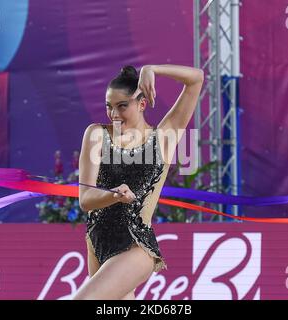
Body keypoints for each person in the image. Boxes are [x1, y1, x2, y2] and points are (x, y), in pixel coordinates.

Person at [74, 64, 204, 300]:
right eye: (109, 107)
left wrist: (152, 68)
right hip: (98, 243)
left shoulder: (163, 139)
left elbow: (196, 79)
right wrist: (113, 194)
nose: (114, 114)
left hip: (136, 244)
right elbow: (85, 200)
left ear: (142, 104)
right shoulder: (96, 135)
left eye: (122, 106)